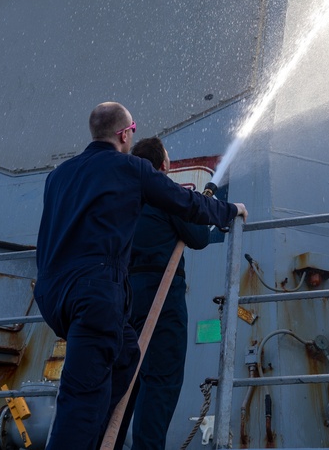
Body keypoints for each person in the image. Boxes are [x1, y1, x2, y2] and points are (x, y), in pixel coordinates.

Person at [34, 102, 247, 450]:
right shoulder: (131, 169)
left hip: (55, 294)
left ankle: (105, 440)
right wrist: (229, 210)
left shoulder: (59, 175)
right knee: (81, 401)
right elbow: (186, 205)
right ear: (123, 133)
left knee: (125, 357)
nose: (133, 136)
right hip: (96, 296)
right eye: (132, 130)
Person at [127, 137, 213, 450]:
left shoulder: (124, 199)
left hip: (125, 297)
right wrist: (198, 207)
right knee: (161, 380)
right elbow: (199, 237)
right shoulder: (165, 192)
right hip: (160, 296)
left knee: (125, 382)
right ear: (164, 166)